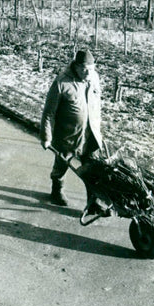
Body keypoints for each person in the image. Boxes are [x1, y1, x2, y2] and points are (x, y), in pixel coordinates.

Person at [40, 49, 108, 214]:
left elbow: (97, 104)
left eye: (91, 69)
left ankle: (93, 202)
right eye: (84, 69)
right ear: (76, 66)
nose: (88, 73)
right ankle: (57, 190)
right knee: (62, 165)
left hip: (90, 136)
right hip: (67, 136)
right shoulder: (62, 82)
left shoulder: (94, 78)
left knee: (92, 170)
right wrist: (46, 137)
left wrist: (98, 129)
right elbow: (49, 113)